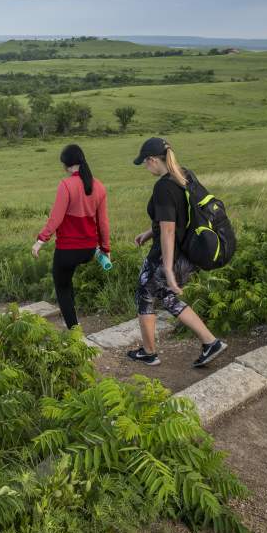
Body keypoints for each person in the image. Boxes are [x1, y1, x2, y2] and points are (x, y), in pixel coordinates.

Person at [128, 137, 227, 367]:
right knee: (164, 295)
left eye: (145, 162)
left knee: (145, 292)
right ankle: (208, 342)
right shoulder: (184, 175)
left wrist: (169, 269)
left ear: (153, 160)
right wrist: (148, 232)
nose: (145, 167)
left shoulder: (163, 186)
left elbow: (169, 229)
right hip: (189, 253)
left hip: (170, 254)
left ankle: (150, 352)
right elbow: (180, 216)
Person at [32, 144, 110, 329]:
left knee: (62, 286)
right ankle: (73, 316)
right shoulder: (98, 186)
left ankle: (74, 330)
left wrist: (40, 241)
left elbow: (56, 218)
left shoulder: (66, 185)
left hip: (67, 251)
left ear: (66, 165)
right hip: (89, 250)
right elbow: (103, 222)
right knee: (68, 280)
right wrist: (105, 249)